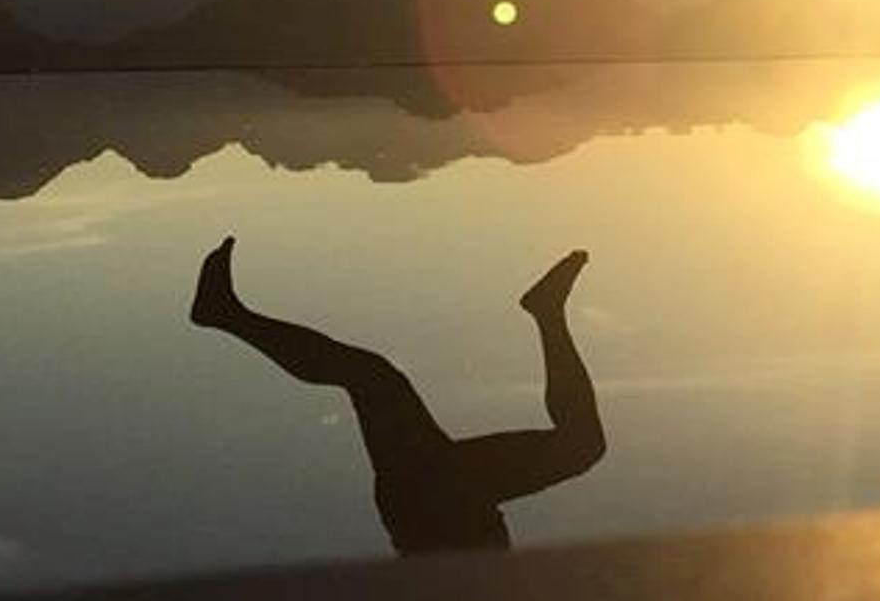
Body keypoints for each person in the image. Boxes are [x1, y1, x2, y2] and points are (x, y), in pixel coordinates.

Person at [188, 236, 604, 555]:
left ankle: (225, 315)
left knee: (373, 379)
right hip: (449, 499)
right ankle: (548, 312)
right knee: (373, 379)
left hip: (435, 503)